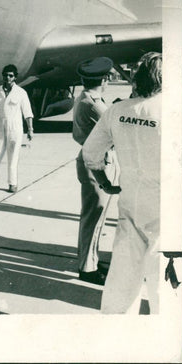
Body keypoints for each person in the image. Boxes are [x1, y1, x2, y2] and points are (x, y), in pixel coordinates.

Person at [82, 51, 162, 313]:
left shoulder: (116, 111)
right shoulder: (172, 110)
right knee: (165, 282)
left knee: (122, 280)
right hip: (165, 207)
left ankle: (116, 340)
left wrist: (105, 183)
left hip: (130, 204)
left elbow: (90, 154)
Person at [72, 56, 115, 285]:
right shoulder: (93, 103)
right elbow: (113, 131)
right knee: (93, 216)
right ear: (105, 79)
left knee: (95, 216)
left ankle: (92, 260)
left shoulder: (86, 97)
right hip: (96, 162)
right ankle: (87, 268)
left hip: (92, 158)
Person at [0, 64, 33, 193]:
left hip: (15, 128)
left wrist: (30, 129)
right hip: (0, 127)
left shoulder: (21, 92)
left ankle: (12, 184)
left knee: (13, 157)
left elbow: (27, 112)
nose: (7, 78)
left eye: (10, 75)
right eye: (5, 75)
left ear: (15, 77)